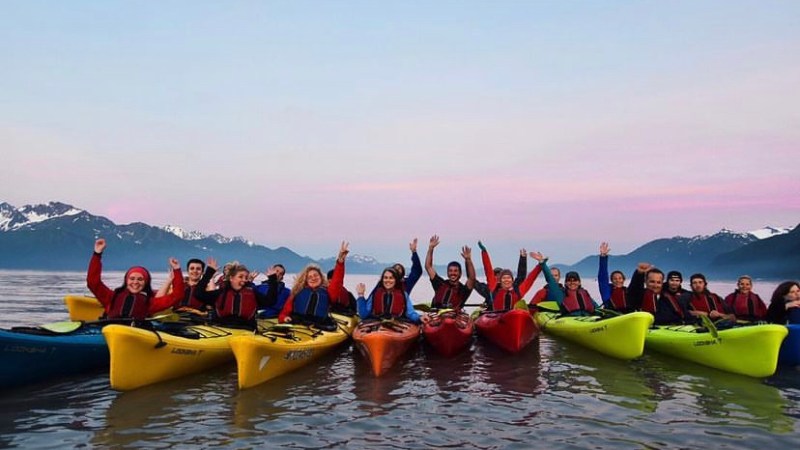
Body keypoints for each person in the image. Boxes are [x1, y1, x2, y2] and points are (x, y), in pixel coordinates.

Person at [86, 238, 185, 321]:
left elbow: (177, 296)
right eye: (132, 278)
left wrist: (177, 269)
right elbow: (93, 282)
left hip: (134, 332)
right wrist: (97, 254)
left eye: (140, 279)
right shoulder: (111, 297)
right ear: (126, 281)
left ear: (145, 283)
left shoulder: (149, 303)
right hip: (111, 330)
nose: (135, 282)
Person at [278, 242, 350, 328]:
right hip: (298, 324)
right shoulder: (297, 292)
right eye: (309, 277)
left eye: (316, 275)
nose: (313, 278)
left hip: (319, 326)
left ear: (321, 277)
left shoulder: (328, 292)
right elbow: (284, 313)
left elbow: (337, 282)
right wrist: (284, 318)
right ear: (305, 280)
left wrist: (340, 262)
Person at [194, 258, 274, 328]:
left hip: (246, 330)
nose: (244, 280)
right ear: (231, 278)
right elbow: (198, 294)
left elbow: (270, 301)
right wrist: (209, 272)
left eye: (246, 277)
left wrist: (273, 280)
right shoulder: (220, 293)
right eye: (240, 277)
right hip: (221, 329)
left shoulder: (252, 293)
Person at [478, 241, 543, 311]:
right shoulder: (494, 288)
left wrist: (540, 264)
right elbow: (488, 271)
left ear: (512, 280)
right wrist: (484, 252)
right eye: (504, 278)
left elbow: (530, 279)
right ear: (500, 280)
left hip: (513, 317)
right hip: (496, 318)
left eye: (509, 278)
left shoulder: (518, 291)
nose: (506, 280)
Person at [424, 235, 477, 312]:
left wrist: (468, 260)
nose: (453, 273)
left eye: (456, 271)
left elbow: (472, 278)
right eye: (450, 271)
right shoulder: (440, 284)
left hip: (454, 318)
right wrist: (431, 248)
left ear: (460, 273)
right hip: (436, 315)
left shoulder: (463, 290)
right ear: (447, 273)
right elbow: (428, 267)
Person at [356, 268, 421, 324]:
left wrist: (419, 318)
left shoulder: (403, 294)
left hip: (397, 323)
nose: (388, 280)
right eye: (385, 278)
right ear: (382, 279)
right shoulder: (375, 293)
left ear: (396, 280)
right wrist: (361, 295)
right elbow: (364, 315)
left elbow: (410, 313)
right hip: (378, 323)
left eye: (391, 278)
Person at [597, 242, 634, 313]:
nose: (618, 280)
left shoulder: (628, 291)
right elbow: (602, 277)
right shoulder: (607, 291)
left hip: (628, 316)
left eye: (620, 278)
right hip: (612, 316)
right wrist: (603, 257)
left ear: (623, 280)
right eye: (615, 279)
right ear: (612, 280)